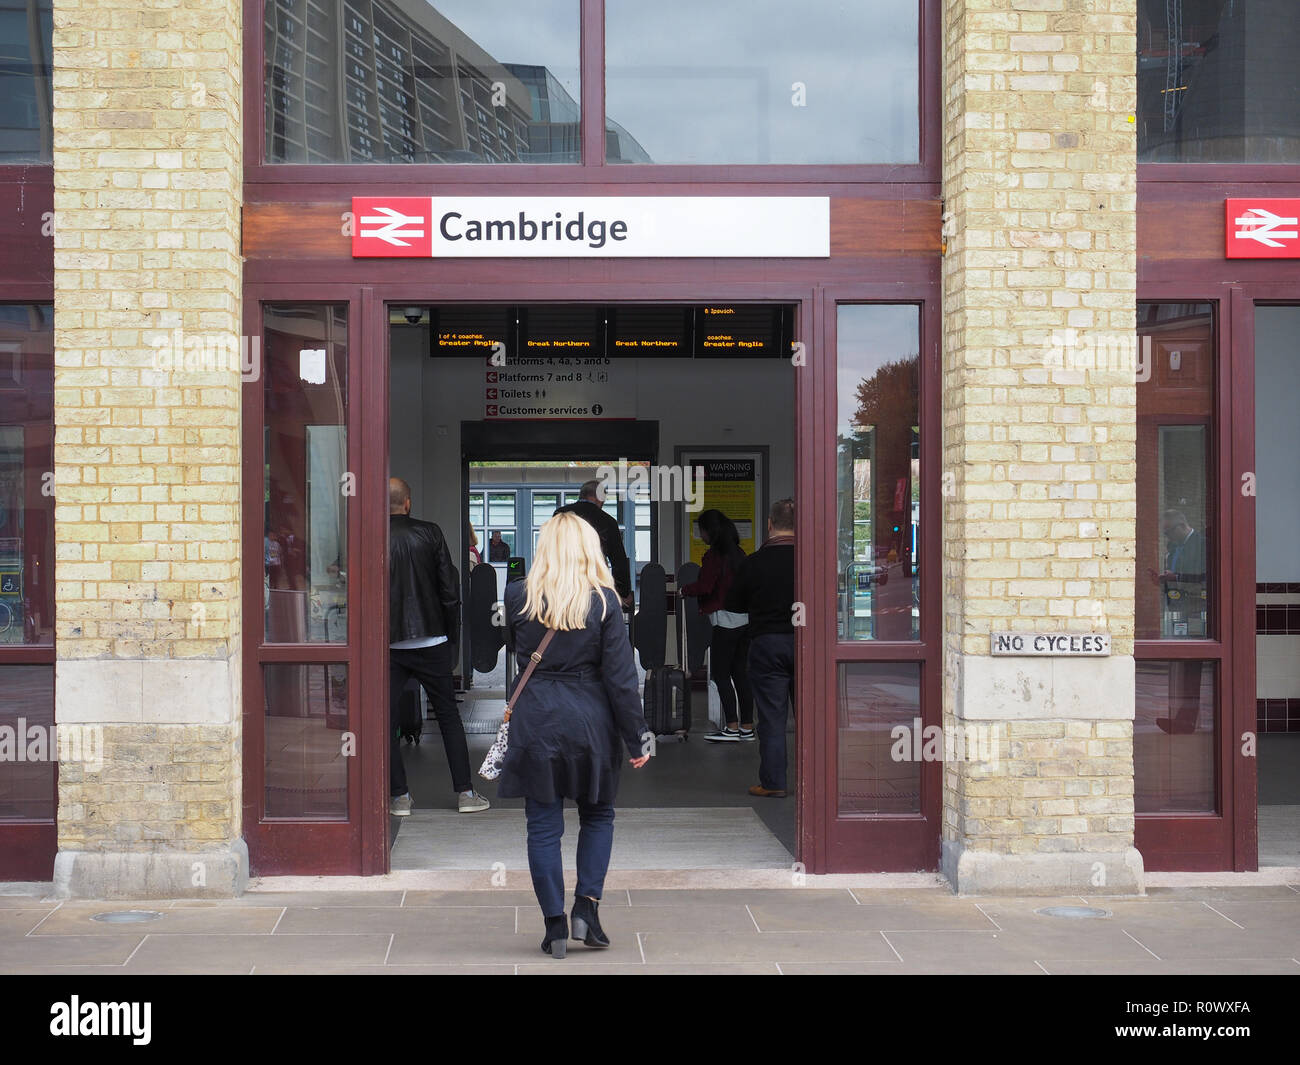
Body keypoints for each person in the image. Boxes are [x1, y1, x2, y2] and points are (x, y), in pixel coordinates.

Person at [498, 511, 651, 958]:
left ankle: (553, 926)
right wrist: (637, 735)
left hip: (536, 717)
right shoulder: (604, 602)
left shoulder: (517, 596)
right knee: (598, 815)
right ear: (589, 550)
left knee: (542, 825)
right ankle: (586, 908)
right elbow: (622, 679)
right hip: (590, 719)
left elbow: (516, 649)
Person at [388, 477, 489, 815]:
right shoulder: (430, 532)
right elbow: (449, 589)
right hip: (431, 638)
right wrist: (450, 636)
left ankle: (399, 796)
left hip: (389, 644)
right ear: (408, 502)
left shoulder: (370, 534)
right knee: (448, 716)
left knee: (384, 720)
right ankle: (465, 793)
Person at [727, 498, 796, 798]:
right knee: (812, 718)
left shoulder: (753, 563)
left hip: (767, 644)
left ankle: (774, 783)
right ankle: (818, 786)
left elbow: (733, 603)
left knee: (772, 718)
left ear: (769, 524)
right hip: (807, 644)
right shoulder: (812, 560)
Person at [680, 509, 754, 742]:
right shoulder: (739, 553)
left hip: (724, 621)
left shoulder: (715, 555)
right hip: (744, 620)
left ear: (710, 531)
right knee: (740, 674)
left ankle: (731, 727)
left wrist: (684, 590)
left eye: (702, 531)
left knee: (721, 674)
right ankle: (747, 727)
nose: (701, 536)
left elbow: (705, 586)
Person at [555, 480, 633, 605]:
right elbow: (618, 561)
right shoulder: (608, 521)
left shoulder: (560, 515)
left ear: (582, 495)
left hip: (563, 585)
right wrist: (623, 592)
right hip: (594, 587)